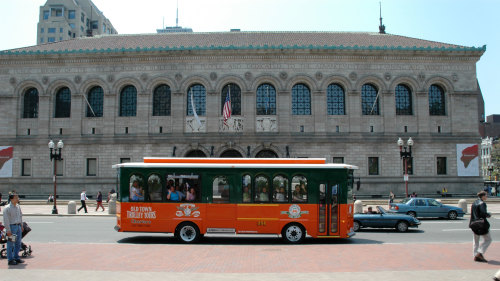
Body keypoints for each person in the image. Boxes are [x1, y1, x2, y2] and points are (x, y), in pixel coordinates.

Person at [3, 193, 24, 265]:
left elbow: (20, 216)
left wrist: (21, 225)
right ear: (11, 199)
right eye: (16, 197)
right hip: (12, 227)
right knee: (10, 244)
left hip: (18, 227)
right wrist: (8, 230)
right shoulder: (7, 208)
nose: (18, 199)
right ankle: (10, 259)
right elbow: (6, 220)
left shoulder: (18, 206)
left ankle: (16, 257)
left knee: (18, 243)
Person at [470, 191, 492, 262]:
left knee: (476, 241)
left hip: (473, 223)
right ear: (482, 196)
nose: (487, 197)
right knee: (488, 239)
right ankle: (480, 253)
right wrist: (488, 215)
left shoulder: (474, 203)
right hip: (481, 224)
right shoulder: (482, 204)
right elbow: (483, 214)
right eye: (486, 195)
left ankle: (475, 255)